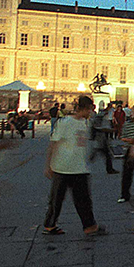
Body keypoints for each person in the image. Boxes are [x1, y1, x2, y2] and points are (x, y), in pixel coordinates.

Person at [43, 95, 106, 236]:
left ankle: (90, 226)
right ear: (85, 108)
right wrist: (48, 165)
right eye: (90, 109)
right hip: (62, 167)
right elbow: (53, 143)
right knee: (56, 199)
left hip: (79, 167)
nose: (91, 112)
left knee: (83, 199)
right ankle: (49, 225)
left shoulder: (86, 123)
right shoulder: (65, 123)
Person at [88, 104, 118, 174]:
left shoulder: (98, 116)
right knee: (106, 154)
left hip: (100, 138)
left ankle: (109, 169)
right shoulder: (99, 117)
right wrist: (111, 130)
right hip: (100, 138)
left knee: (99, 153)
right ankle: (109, 169)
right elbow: (100, 128)